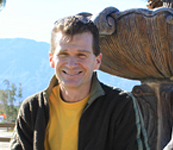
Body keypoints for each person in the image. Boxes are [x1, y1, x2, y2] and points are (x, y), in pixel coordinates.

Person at [10, 13, 150, 150]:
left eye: (81, 55)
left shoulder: (120, 105)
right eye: (63, 54)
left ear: (97, 61)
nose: (71, 64)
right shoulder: (32, 108)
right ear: (51, 59)